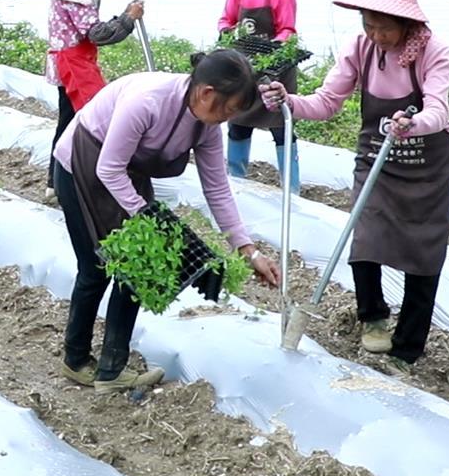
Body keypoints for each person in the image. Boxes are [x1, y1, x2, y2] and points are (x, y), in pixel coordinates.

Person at [51, 50, 281, 392]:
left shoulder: (205, 126)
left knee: (141, 267)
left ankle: (111, 371)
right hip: (83, 164)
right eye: (228, 110)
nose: (226, 119)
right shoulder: (147, 102)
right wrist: (146, 215)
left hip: (126, 174)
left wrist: (247, 251)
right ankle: (76, 360)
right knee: (94, 269)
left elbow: (217, 188)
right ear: (206, 93)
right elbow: (108, 169)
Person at [263, 0, 449, 367]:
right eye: (369, 25)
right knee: (364, 235)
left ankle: (408, 348)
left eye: (385, 28)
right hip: (375, 158)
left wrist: (412, 123)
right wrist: (290, 102)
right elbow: (327, 101)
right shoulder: (360, 48)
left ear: (408, 24)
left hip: (426, 169)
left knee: (424, 253)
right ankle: (373, 318)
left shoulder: (435, 51)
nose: (376, 35)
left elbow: (437, 109)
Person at [44, 0, 144, 187]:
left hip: (73, 60)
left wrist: (125, 16)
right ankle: (75, 178)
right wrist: (128, 18)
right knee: (92, 119)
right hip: (73, 64)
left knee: (69, 120)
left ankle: (56, 181)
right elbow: (97, 34)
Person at [217, 0, 300, 188]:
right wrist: (227, 32)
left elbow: (287, 29)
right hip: (245, 68)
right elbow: (226, 20)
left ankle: (291, 187)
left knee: (281, 128)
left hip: (275, 71)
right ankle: (237, 182)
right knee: (238, 125)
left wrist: (277, 44)